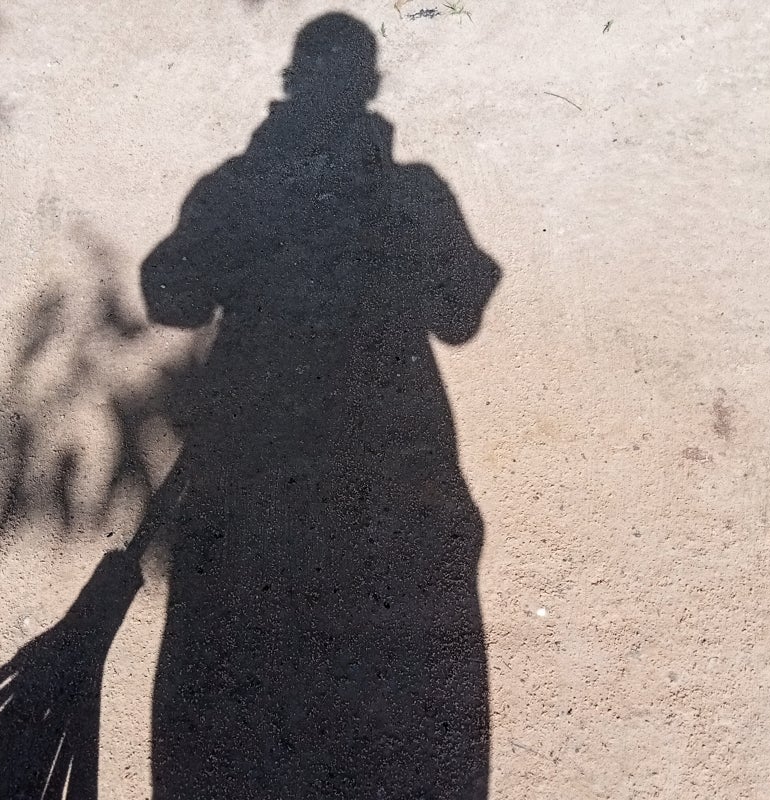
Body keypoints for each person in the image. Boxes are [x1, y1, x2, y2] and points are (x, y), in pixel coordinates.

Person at [142, 13, 501, 798]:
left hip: (256, 477)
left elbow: (169, 294)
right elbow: (462, 313)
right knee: (385, 706)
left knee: (253, 696)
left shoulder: (240, 188)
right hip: (393, 488)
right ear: (371, 90)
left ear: (291, 87)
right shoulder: (412, 194)